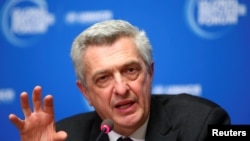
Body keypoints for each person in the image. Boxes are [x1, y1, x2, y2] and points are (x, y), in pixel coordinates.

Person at [9, 19, 230, 141]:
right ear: (85, 92)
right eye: (103, 78)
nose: (121, 88)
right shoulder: (65, 136)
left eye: (131, 70)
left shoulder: (203, 122)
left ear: (150, 74)